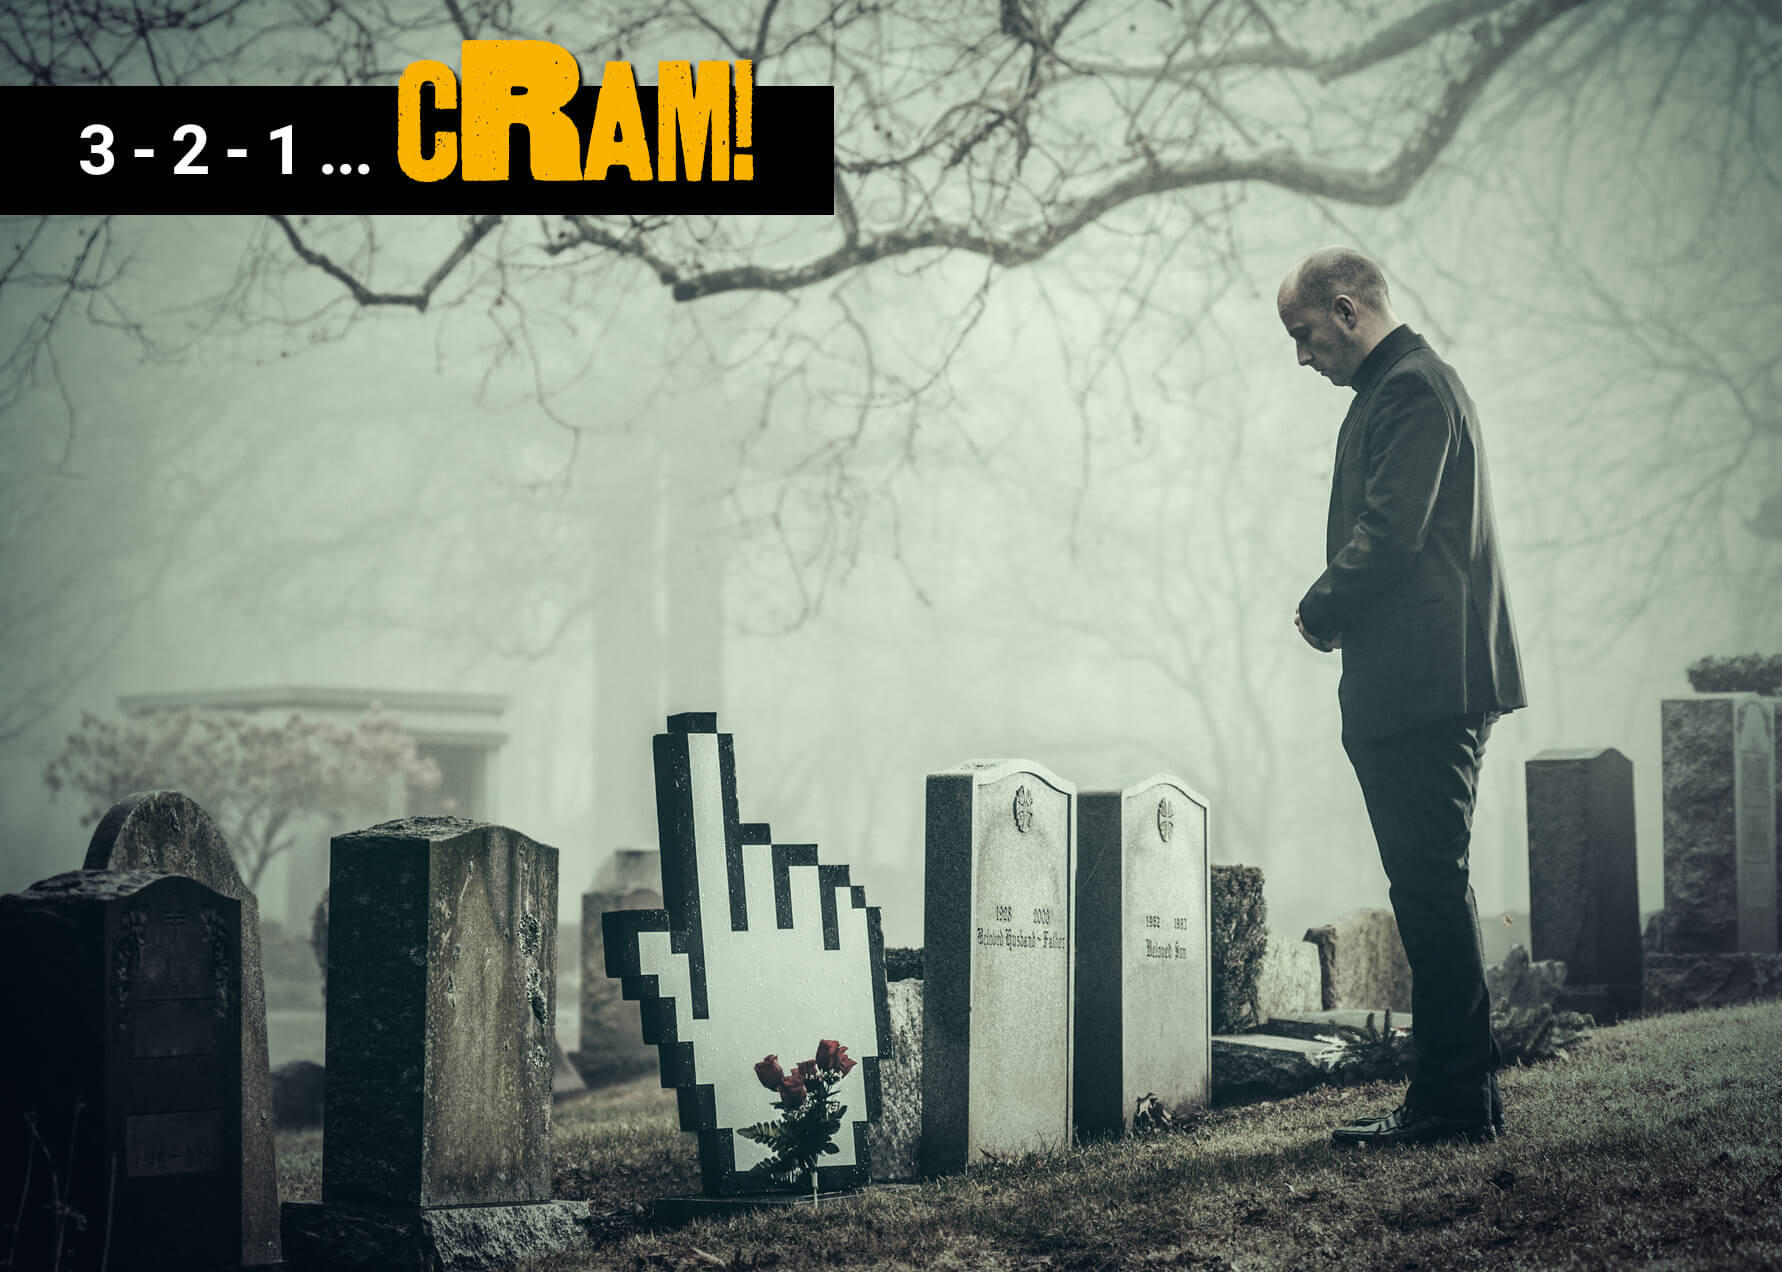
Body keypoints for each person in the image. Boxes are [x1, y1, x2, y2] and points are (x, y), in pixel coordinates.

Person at [1278, 246, 1526, 1147]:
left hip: (1430, 685)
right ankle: (1458, 1100)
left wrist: (1319, 605)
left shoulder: (1414, 388)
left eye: (1304, 335)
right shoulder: (1399, 390)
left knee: (1427, 889)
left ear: (1347, 311)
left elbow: (1390, 532)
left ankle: (1453, 1105)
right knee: (1429, 888)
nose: (1302, 357)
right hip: (1421, 682)